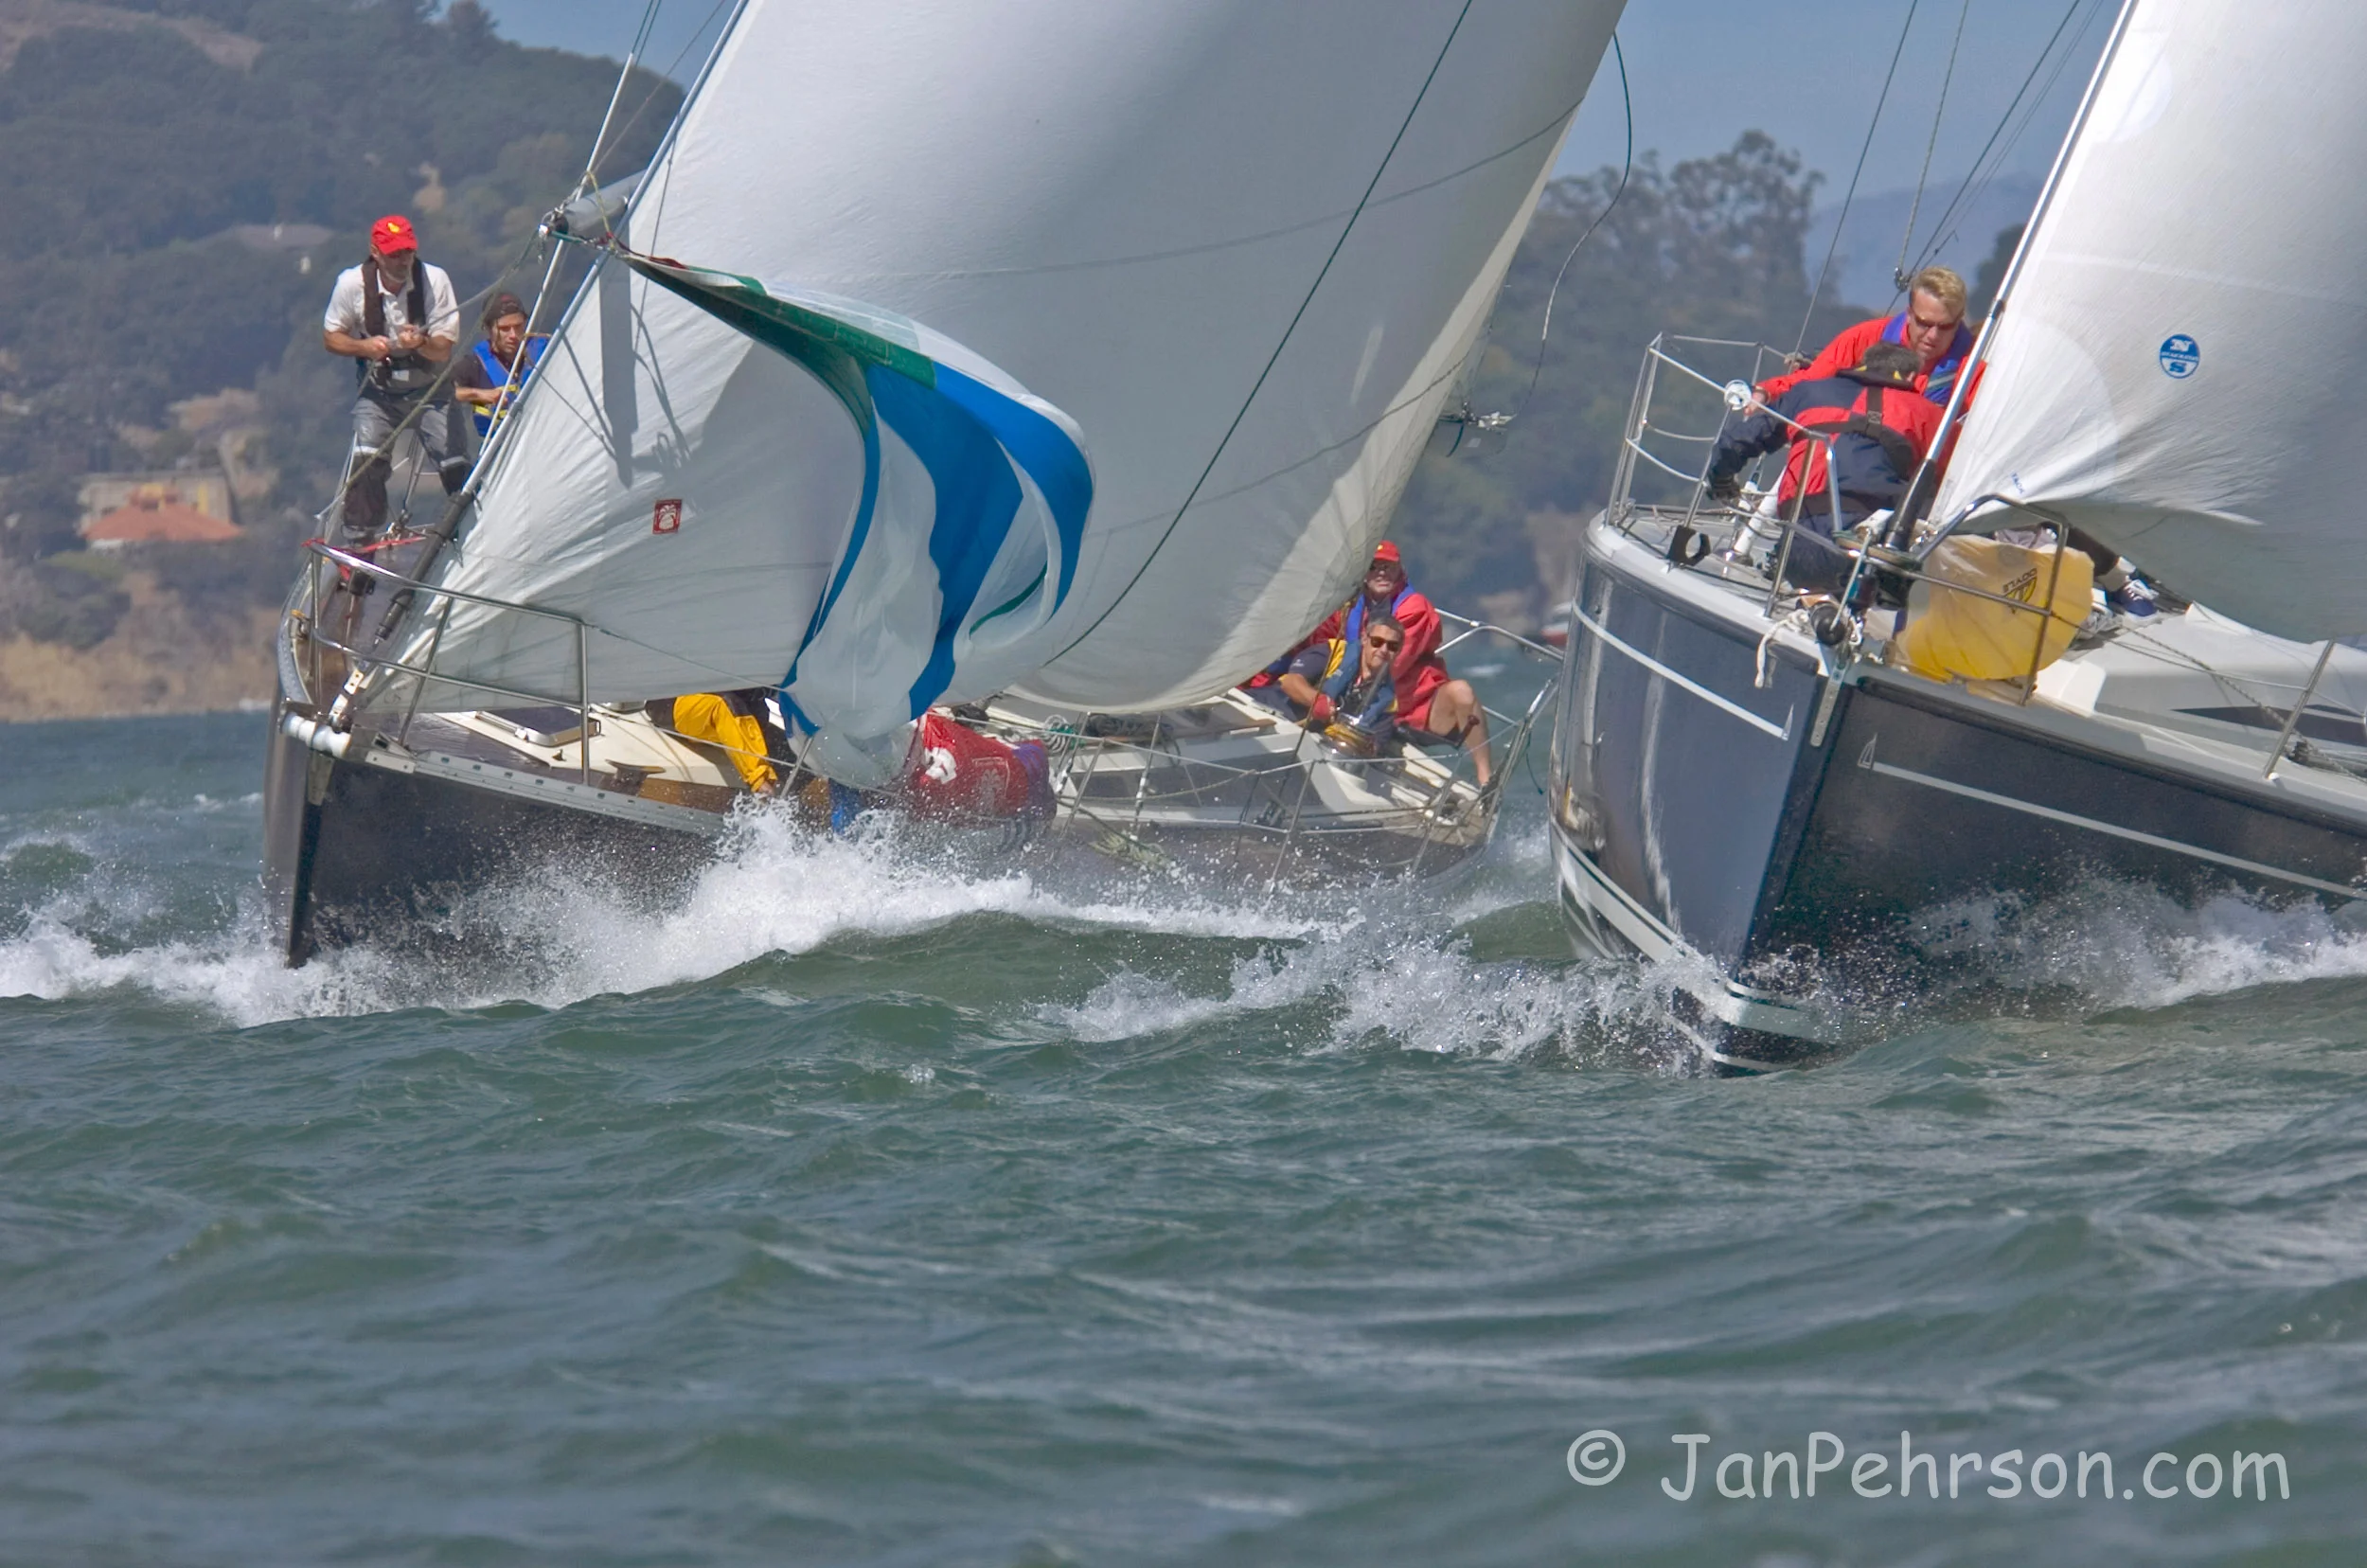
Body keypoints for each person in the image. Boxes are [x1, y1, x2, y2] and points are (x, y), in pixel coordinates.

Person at [1705, 342, 1943, 593]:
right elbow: (1950, 482)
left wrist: (1722, 483)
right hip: (1865, 552)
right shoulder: (1927, 415)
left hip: (1797, 543)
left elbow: (1735, 441)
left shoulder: (1809, 393)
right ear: (1912, 377)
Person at [1284, 542, 1492, 784]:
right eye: (1375, 566)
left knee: (1462, 692)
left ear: (1400, 570)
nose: (1382, 572)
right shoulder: (1349, 603)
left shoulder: (1415, 609)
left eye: (1389, 567)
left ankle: (1485, 777)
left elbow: (1389, 663)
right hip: (1355, 693)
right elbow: (1326, 641)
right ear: (1364, 572)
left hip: (1408, 701)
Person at [322, 214, 464, 551]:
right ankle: (360, 548)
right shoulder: (351, 285)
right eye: (393, 253)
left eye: (407, 253)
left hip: (429, 386)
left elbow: (444, 349)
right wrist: (364, 347)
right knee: (367, 462)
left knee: (454, 461)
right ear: (375, 252)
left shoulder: (435, 280)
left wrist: (421, 344)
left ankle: (468, 531)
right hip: (379, 390)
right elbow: (331, 338)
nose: (402, 261)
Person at [1759, 266, 1975, 411]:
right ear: (1909, 314)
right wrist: (1766, 392)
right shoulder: (1866, 338)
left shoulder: (1974, 365)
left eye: (1946, 327)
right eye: (1925, 324)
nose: (1933, 335)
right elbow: (1812, 381)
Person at [1274, 614, 1403, 750]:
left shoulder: (1389, 701)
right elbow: (1289, 682)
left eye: (1392, 646)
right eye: (1377, 642)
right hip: (1279, 718)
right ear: (1365, 639)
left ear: (1399, 651)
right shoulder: (1335, 652)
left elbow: (1375, 745)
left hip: (1322, 746)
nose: (1384, 650)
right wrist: (1317, 701)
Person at [452, 291, 547, 441]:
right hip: (502, 450)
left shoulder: (546, 349)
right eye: (504, 329)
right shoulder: (475, 364)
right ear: (488, 329)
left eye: (518, 326)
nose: (513, 335)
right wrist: (480, 395)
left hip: (548, 438)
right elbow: (443, 392)